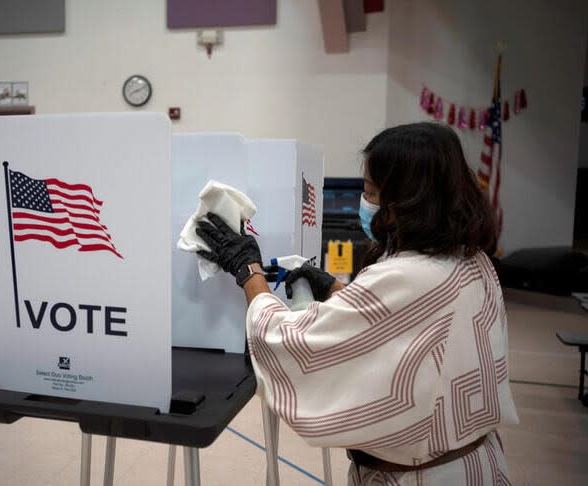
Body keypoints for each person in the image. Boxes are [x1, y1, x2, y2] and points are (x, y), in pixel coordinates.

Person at [195, 122, 518, 485]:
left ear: (407, 199)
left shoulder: (407, 277)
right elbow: (397, 326)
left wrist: (248, 270)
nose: (364, 203)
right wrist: (335, 288)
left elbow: (291, 342)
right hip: (472, 461)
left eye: (371, 191)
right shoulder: (470, 260)